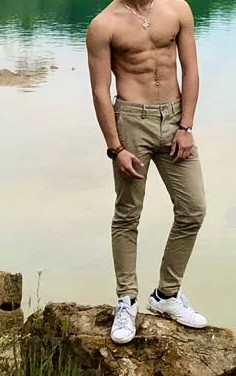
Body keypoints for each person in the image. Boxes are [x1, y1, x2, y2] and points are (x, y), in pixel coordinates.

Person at [86, 0, 208, 344]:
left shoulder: (177, 9)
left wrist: (186, 126)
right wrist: (116, 148)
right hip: (131, 121)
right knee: (128, 214)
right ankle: (127, 301)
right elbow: (99, 91)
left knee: (193, 210)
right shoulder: (103, 25)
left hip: (175, 119)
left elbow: (191, 70)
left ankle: (167, 295)